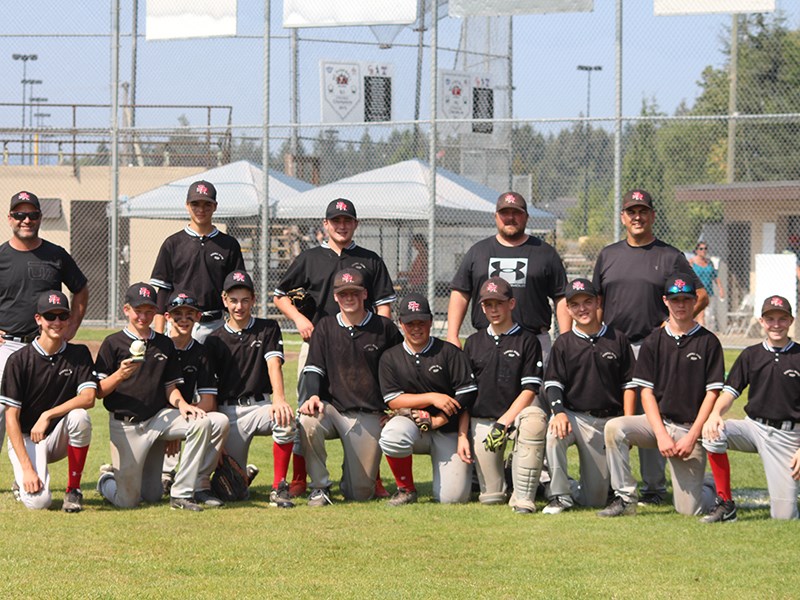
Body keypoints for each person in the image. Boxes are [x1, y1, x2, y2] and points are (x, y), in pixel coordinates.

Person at [592, 188, 708, 506]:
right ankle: (614, 486)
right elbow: (598, 303)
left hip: (652, 346)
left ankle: (654, 489)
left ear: (653, 216)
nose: (637, 217)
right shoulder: (608, 254)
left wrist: (668, 329)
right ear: (623, 217)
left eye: (643, 211)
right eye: (632, 211)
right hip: (612, 346)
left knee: (651, 414)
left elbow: (700, 295)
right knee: (615, 414)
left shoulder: (669, 256)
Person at [273, 198, 396, 496]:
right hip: (318, 344)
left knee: (372, 407)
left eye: (347, 220)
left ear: (356, 224)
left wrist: (378, 339)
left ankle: (373, 476)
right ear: (325, 225)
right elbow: (279, 295)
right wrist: (301, 319)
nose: (342, 225)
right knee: (308, 409)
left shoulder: (370, 259)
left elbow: (383, 306)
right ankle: (301, 477)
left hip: (362, 349)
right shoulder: (311, 257)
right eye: (335, 221)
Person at [598, 274, 722, 518]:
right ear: (665, 301)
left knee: (689, 510)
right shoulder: (653, 341)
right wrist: (662, 434)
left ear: (695, 300)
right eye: (675, 299)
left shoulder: (708, 342)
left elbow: (713, 394)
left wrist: (693, 436)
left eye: (686, 299)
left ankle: (710, 485)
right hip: (658, 425)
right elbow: (646, 392)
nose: (681, 305)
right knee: (615, 427)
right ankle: (625, 497)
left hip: (689, 430)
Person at [95, 283, 226, 511]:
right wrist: (120, 374)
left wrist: (183, 406)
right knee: (130, 501)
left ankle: (182, 493)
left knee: (202, 421)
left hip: (157, 420)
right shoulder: (113, 343)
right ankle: (106, 481)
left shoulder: (163, 343)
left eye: (148, 310)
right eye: (138, 310)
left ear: (155, 312)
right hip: (125, 426)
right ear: (126, 310)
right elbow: (98, 391)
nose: (143, 316)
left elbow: (170, 387)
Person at [298, 268, 403, 507]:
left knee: (360, 494)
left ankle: (352, 476)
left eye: (354, 292)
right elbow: (313, 367)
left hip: (368, 414)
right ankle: (320, 487)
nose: (349, 298)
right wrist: (313, 394)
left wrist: (396, 406)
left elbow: (399, 368)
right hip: (332, 410)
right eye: (343, 293)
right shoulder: (325, 327)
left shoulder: (384, 328)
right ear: (335, 296)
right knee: (307, 420)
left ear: (365, 293)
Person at [0, 191, 88, 449]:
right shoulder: (1, 257)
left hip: (45, 349)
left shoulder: (56, 255)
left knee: (36, 408)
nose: (26, 220)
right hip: (9, 345)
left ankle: (28, 468)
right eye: (19, 214)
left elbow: (81, 288)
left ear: (40, 218)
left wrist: (72, 325)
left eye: (32, 215)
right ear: (10, 218)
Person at [702, 295, 800, 521]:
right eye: (770, 319)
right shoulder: (751, 354)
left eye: (782, 319)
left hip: (788, 436)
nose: (776, 325)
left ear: (791, 321)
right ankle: (725, 503)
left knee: (784, 516)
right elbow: (730, 392)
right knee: (712, 433)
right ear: (761, 321)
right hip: (753, 428)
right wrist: (715, 414)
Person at [541, 278, 636, 514]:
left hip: (608, 422)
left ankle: (567, 486)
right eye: (575, 304)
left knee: (594, 499)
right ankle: (560, 496)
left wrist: (628, 422)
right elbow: (552, 385)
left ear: (597, 302)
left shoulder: (618, 339)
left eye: (587, 302)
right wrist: (559, 412)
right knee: (554, 432)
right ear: (568, 309)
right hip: (576, 418)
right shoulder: (563, 343)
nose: (582, 308)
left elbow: (629, 385)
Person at [204, 270, 296, 508]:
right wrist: (217, 433)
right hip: (229, 413)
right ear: (224, 300)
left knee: (285, 419)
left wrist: (279, 399)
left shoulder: (267, 328)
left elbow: (273, 364)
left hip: (261, 406)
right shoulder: (214, 339)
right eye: (233, 300)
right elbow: (210, 390)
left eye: (245, 300)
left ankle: (279, 487)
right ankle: (243, 475)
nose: (239, 306)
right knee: (231, 493)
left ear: (254, 300)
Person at [447, 191, 570, 366]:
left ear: (527, 217)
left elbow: (561, 297)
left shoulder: (545, 252)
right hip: (487, 341)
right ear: (496, 217)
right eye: (505, 213)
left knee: (533, 393)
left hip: (534, 342)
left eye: (516, 213)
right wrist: (452, 334)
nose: (510, 218)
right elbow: (460, 293)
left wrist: (564, 339)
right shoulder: (478, 252)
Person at [378, 293, 478, 506]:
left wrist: (454, 430)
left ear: (431, 321)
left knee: (453, 499)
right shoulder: (390, 357)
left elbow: (467, 394)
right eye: (410, 323)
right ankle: (406, 489)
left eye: (421, 322)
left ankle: (476, 475)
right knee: (392, 435)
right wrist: (433, 398)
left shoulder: (448, 352)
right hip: (413, 427)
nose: (416, 328)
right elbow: (393, 400)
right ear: (400, 323)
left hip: (448, 429)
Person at [460, 277, 547, 513]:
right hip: (483, 421)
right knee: (492, 497)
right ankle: (509, 472)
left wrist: (504, 422)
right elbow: (466, 395)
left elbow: (530, 390)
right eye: (488, 304)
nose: (494, 309)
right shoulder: (473, 342)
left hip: (515, 419)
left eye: (499, 303)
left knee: (534, 421)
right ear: (481, 308)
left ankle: (523, 497)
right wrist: (463, 434)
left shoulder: (528, 340)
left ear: (511, 304)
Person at [1, 291, 94, 512]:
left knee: (80, 416)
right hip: (26, 439)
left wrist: (48, 415)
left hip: (57, 435)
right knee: (39, 503)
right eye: (50, 316)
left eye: (62, 316)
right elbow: (11, 417)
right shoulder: (19, 360)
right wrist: (27, 468)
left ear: (69, 319)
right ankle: (21, 479)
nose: (57, 322)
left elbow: (89, 398)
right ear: (38, 320)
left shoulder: (78, 354)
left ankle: (73, 490)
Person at [149, 180, 245, 341]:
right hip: (179, 323)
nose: (201, 209)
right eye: (195, 204)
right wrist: (159, 336)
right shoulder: (173, 243)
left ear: (215, 206)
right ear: (187, 205)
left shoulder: (228, 245)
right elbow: (163, 292)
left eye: (207, 204)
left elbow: (236, 290)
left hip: (215, 324)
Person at [160, 290, 230, 506]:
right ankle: (109, 478)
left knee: (219, 421)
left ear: (198, 317)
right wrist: (174, 421)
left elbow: (209, 402)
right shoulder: (157, 347)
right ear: (167, 317)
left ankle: (199, 484)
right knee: (139, 493)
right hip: (155, 418)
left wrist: (182, 419)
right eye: (177, 313)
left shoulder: (201, 352)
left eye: (189, 313)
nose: (183, 319)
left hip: (182, 414)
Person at [689, 241, 725, 329]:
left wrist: (720, 288)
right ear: (697, 250)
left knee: (710, 316)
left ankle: (708, 333)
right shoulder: (691, 262)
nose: (703, 251)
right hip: (697, 293)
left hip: (709, 292)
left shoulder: (709, 262)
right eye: (701, 249)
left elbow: (715, 276)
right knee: (700, 314)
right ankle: (699, 334)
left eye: (705, 249)